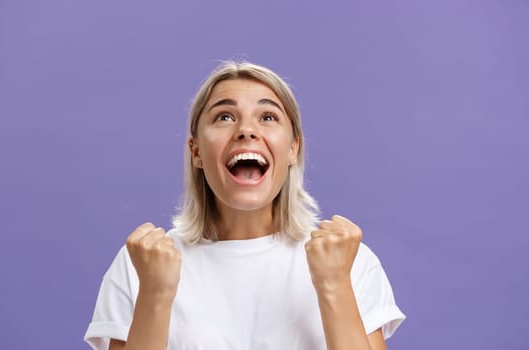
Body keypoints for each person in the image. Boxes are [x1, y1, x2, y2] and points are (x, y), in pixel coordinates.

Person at [84, 60, 405, 350]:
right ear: (195, 151)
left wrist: (335, 284)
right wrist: (154, 294)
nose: (247, 130)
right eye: (224, 116)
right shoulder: (140, 264)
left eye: (267, 117)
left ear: (293, 148)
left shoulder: (350, 262)